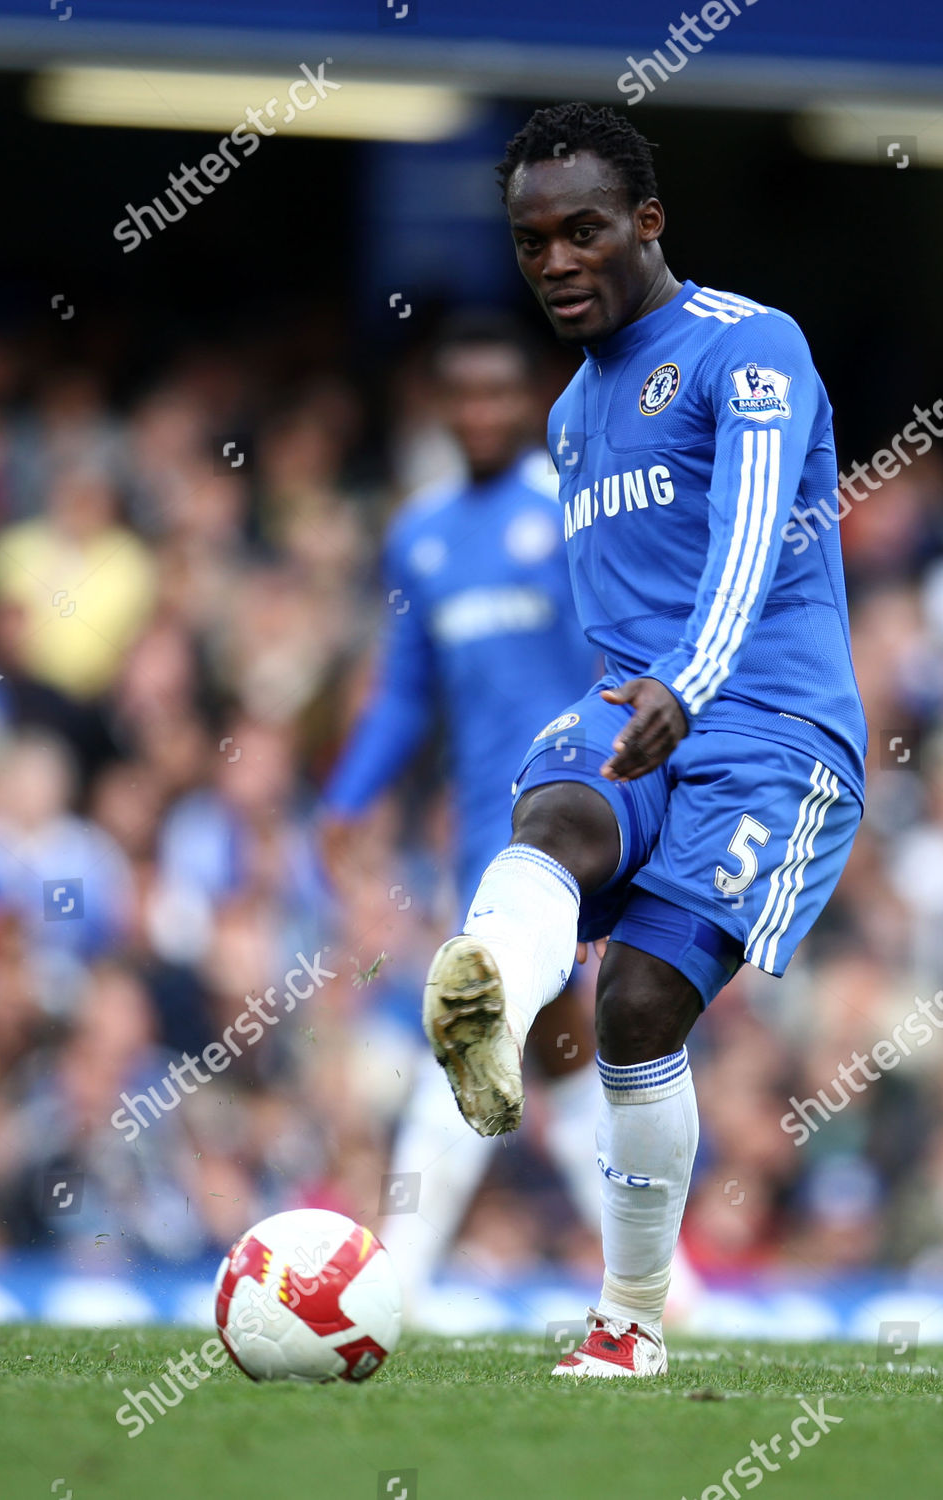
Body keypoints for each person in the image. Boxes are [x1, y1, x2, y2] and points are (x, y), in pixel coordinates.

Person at [422, 103, 868, 1375]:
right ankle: (493, 1000)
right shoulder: (566, 418)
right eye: (530, 243)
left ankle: (629, 1319)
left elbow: (745, 534)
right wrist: (633, 699)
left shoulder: (750, 346)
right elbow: (614, 605)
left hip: (770, 734)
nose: (556, 261)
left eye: (583, 232)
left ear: (646, 223)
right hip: (636, 711)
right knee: (549, 818)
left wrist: (690, 676)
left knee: (632, 1008)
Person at [319, 314, 603, 1318]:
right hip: (480, 827)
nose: (481, 413)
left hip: (566, 820)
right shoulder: (421, 534)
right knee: (559, 1052)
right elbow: (406, 691)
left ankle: (392, 1277)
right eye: (463, 397)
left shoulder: (572, 514)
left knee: (472, 1022)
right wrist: (349, 793)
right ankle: (663, 1281)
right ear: (442, 409)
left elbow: (623, 662)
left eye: (498, 394)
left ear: (526, 403)